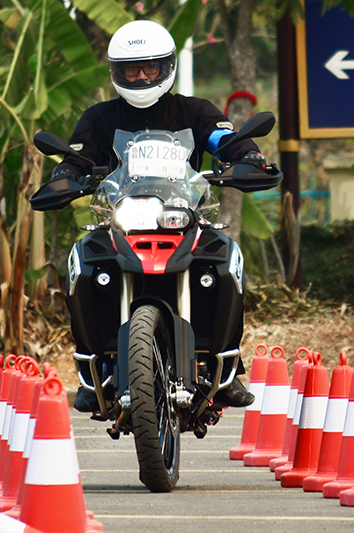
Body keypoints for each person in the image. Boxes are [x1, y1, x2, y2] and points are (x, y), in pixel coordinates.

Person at [52, 20, 266, 412]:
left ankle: (229, 369)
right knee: (82, 263)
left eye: (149, 67)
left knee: (227, 259)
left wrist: (247, 155)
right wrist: (65, 175)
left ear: (166, 67)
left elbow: (224, 138)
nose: (140, 76)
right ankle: (91, 371)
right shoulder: (99, 118)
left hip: (183, 217)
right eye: (130, 69)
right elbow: (77, 156)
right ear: (116, 72)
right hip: (120, 220)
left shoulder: (195, 111)